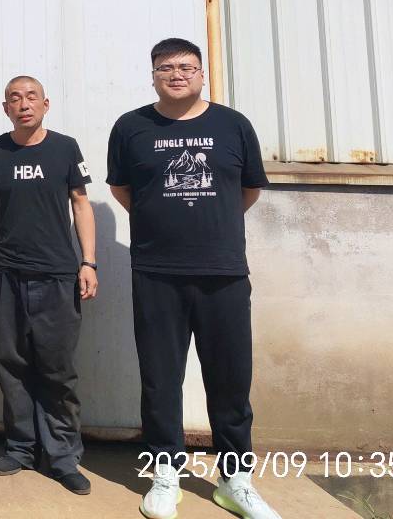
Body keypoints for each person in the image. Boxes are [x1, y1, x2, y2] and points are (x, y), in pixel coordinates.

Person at [107, 38, 280, 519]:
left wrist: (210, 224)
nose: (176, 74)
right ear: (154, 76)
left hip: (223, 271)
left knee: (230, 380)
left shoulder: (233, 125)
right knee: (160, 380)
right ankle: (166, 474)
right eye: (166, 67)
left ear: (202, 74)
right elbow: (123, 188)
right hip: (156, 272)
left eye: (186, 66)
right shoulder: (130, 127)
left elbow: (247, 189)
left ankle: (235, 481)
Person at [0, 75, 96, 496]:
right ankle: (21, 448)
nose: (23, 104)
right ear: (5, 108)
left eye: (31, 97)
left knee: (57, 370)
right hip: (6, 274)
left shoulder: (65, 148)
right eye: (14, 99)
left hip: (57, 276)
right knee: (11, 365)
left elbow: (81, 205)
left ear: (46, 104)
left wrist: (88, 262)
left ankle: (63, 458)